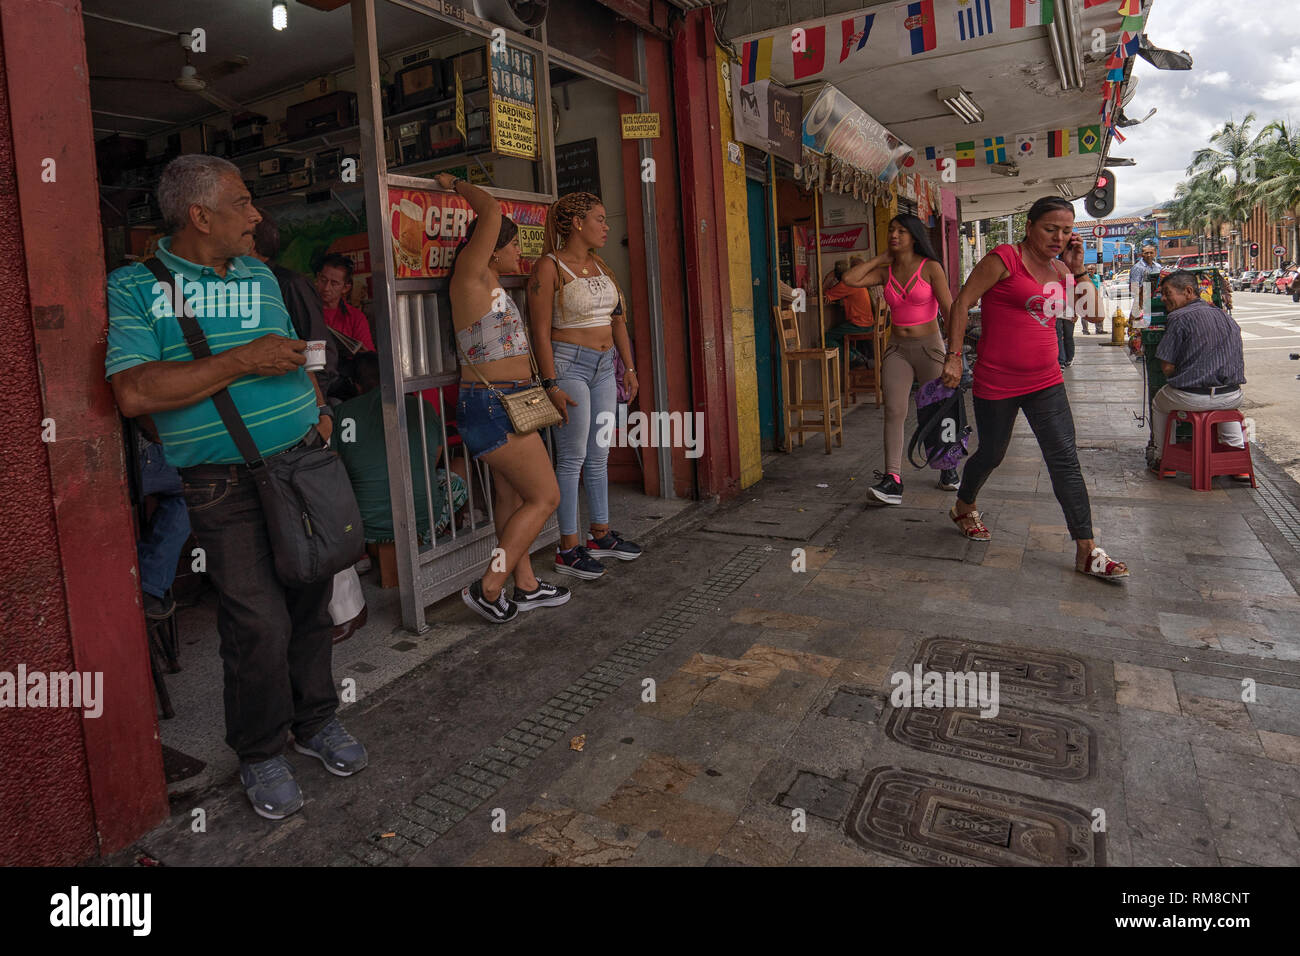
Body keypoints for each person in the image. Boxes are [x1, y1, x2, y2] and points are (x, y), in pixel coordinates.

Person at [105, 154, 366, 820]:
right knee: (258, 623)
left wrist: (318, 407)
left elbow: (289, 352)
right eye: (244, 203)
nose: (256, 216)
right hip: (225, 485)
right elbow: (134, 391)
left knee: (312, 605)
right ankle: (259, 751)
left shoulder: (257, 272)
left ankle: (315, 721)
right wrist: (245, 360)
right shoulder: (138, 288)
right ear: (200, 215)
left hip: (303, 463)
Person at [943, 196, 1130, 580]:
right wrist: (953, 356)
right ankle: (964, 505)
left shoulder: (1063, 269)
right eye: (1050, 229)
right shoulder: (1004, 259)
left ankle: (1087, 549)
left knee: (1064, 459)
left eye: (1065, 231)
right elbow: (962, 302)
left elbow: (1093, 313)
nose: (1058, 237)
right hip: (997, 380)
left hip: (1046, 381)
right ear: (1030, 226)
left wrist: (1079, 272)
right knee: (992, 453)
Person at [441, 171, 569, 622]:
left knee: (513, 500)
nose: (521, 252)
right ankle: (490, 585)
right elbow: (491, 210)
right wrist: (456, 183)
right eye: (514, 245)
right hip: (493, 406)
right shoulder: (471, 276)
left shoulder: (491, 284)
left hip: (510, 401)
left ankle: (526, 584)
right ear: (491, 247)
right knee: (545, 498)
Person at [527, 192, 642, 580]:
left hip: (605, 368)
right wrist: (550, 383)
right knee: (572, 457)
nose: (606, 226)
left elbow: (618, 320)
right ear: (577, 223)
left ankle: (600, 534)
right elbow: (540, 332)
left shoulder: (601, 265)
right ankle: (567, 547)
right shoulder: (550, 266)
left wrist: (629, 366)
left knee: (599, 454)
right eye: (599, 218)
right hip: (568, 366)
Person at [837, 215, 957, 502]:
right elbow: (850, 279)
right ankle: (892, 479)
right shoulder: (885, 271)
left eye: (902, 231)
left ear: (914, 236)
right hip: (897, 349)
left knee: (938, 409)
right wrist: (880, 257)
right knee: (893, 410)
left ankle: (948, 467)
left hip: (930, 347)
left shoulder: (931, 268)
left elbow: (950, 310)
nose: (894, 235)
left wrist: (954, 353)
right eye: (891, 230)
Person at [334, 352, 468, 543]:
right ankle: (452, 528)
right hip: (424, 525)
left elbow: (338, 471)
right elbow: (432, 461)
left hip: (365, 534)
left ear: (356, 384)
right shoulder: (423, 407)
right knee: (460, 464)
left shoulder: (342, 414)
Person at [1149, 270, 1247, 471]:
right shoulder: (1224, 316)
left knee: (1159, 403)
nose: (1164, 298)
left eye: (1167, 293)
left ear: (1188, 291)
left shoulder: (1178, 317)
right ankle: (1238, 463)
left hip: (1193, 397)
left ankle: (1162, 459)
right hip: (1233, 394)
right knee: (1225, 409)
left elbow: (1167, 367)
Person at [822, 255, 881, 367]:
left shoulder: (848, 283)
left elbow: (825, 296)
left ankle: (854, 357)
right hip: (869, 324)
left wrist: (828, 277)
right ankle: (860, 358)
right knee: (842, 338)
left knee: (827, 337)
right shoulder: (858, 282)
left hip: (859, 325)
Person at [316, 253, 377, 353]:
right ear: (318, 278)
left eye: (334, 283)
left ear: (345, 288)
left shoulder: (356, 317)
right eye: (323, 280)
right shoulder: (305, 310)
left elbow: (368, 357)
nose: (326, 288)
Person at [1129, 244, 1160, 318]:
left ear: (1155, 254)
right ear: (1141, 255)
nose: (1149, 255)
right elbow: (1134, 289)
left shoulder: (1158, 267)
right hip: (1141, 302)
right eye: (1146, 253)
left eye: (1151, 253)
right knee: (1138, 325)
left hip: (1156, 300)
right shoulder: (1137, 268)